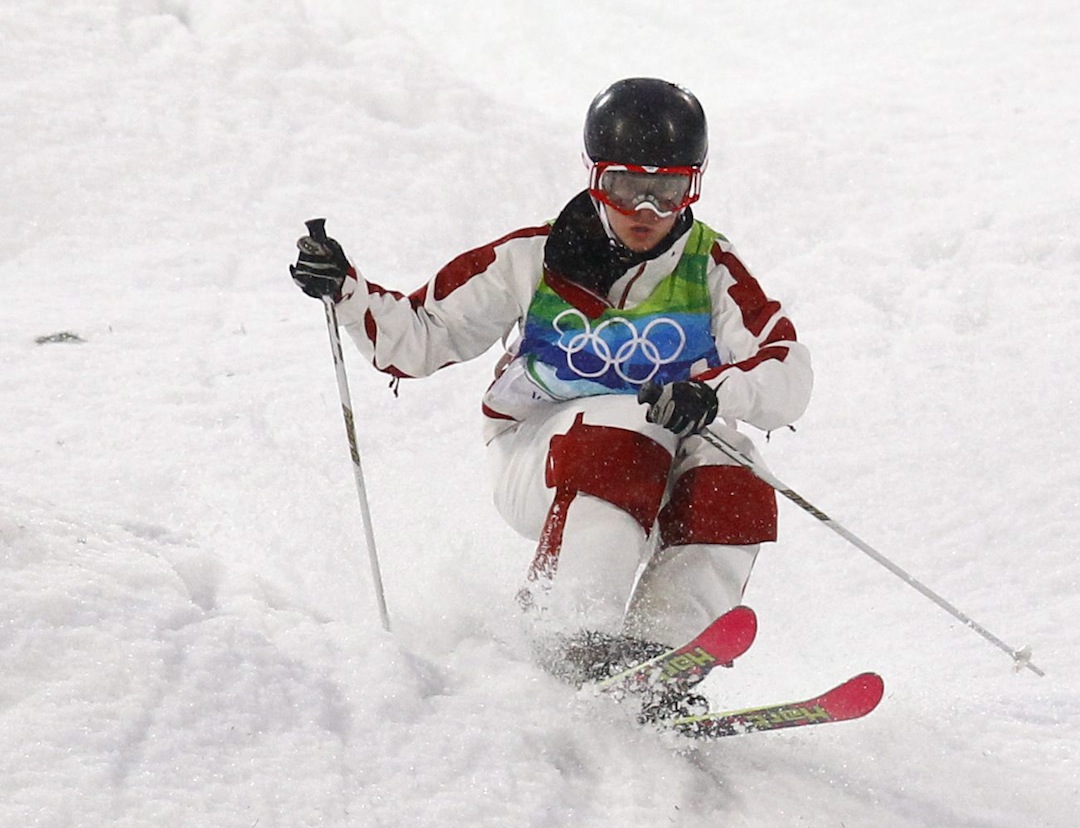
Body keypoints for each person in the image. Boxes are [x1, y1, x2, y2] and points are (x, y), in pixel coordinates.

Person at [290, 77, 812, 700]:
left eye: (668, 190)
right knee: (625, 429)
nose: (646, 211)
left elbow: (786, 367)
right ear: (595, 179)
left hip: (661, 447)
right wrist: (344, 289)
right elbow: (420, 337)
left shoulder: (710, 265)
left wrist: (714, 395)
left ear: (692, 187)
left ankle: (661, 658)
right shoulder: (532, 256)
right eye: (626, 187)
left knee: (737, 471)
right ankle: (571, 632)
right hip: (541, 454)